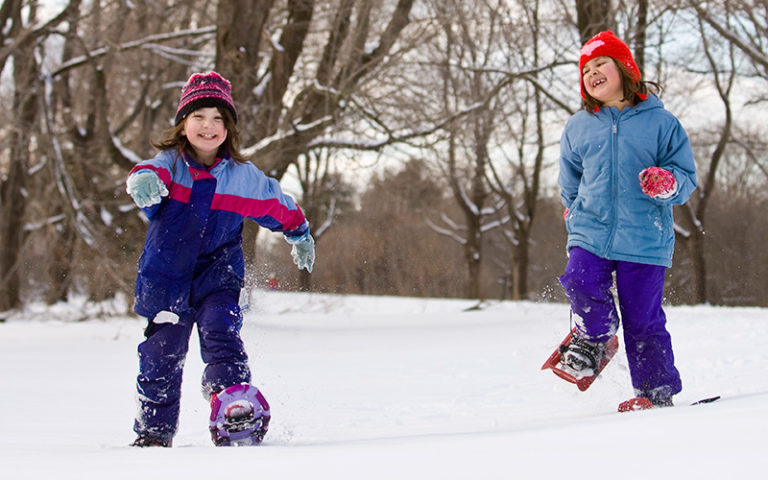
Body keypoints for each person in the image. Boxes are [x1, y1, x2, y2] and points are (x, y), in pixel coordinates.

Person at [125, 71, 315, 447]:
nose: (208, 126)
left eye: (217, 119)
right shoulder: (170, 165)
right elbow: (149, 170)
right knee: (162, 354)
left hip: (218, 277)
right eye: (198, 117)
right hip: (166, 279)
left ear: (228, 128)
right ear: (183, 124)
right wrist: (142, 179)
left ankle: (233, 404)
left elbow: (275, 202)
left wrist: (300, 231)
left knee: (221, 331)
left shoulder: (242, 178)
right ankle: (154, 433)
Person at [557, 31, 697, 407]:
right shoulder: (578, 126)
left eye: (600, 64)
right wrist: (574, 210)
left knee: (643, 318)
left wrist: (668, 182)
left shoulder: (661, 123)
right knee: (579, 278)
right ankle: (595, 336)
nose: (592, 73)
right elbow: (569, 180)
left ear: (625, 68)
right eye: (585, 70)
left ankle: (655, 391)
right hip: (591, 230)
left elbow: (686, 176)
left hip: (645, 236)